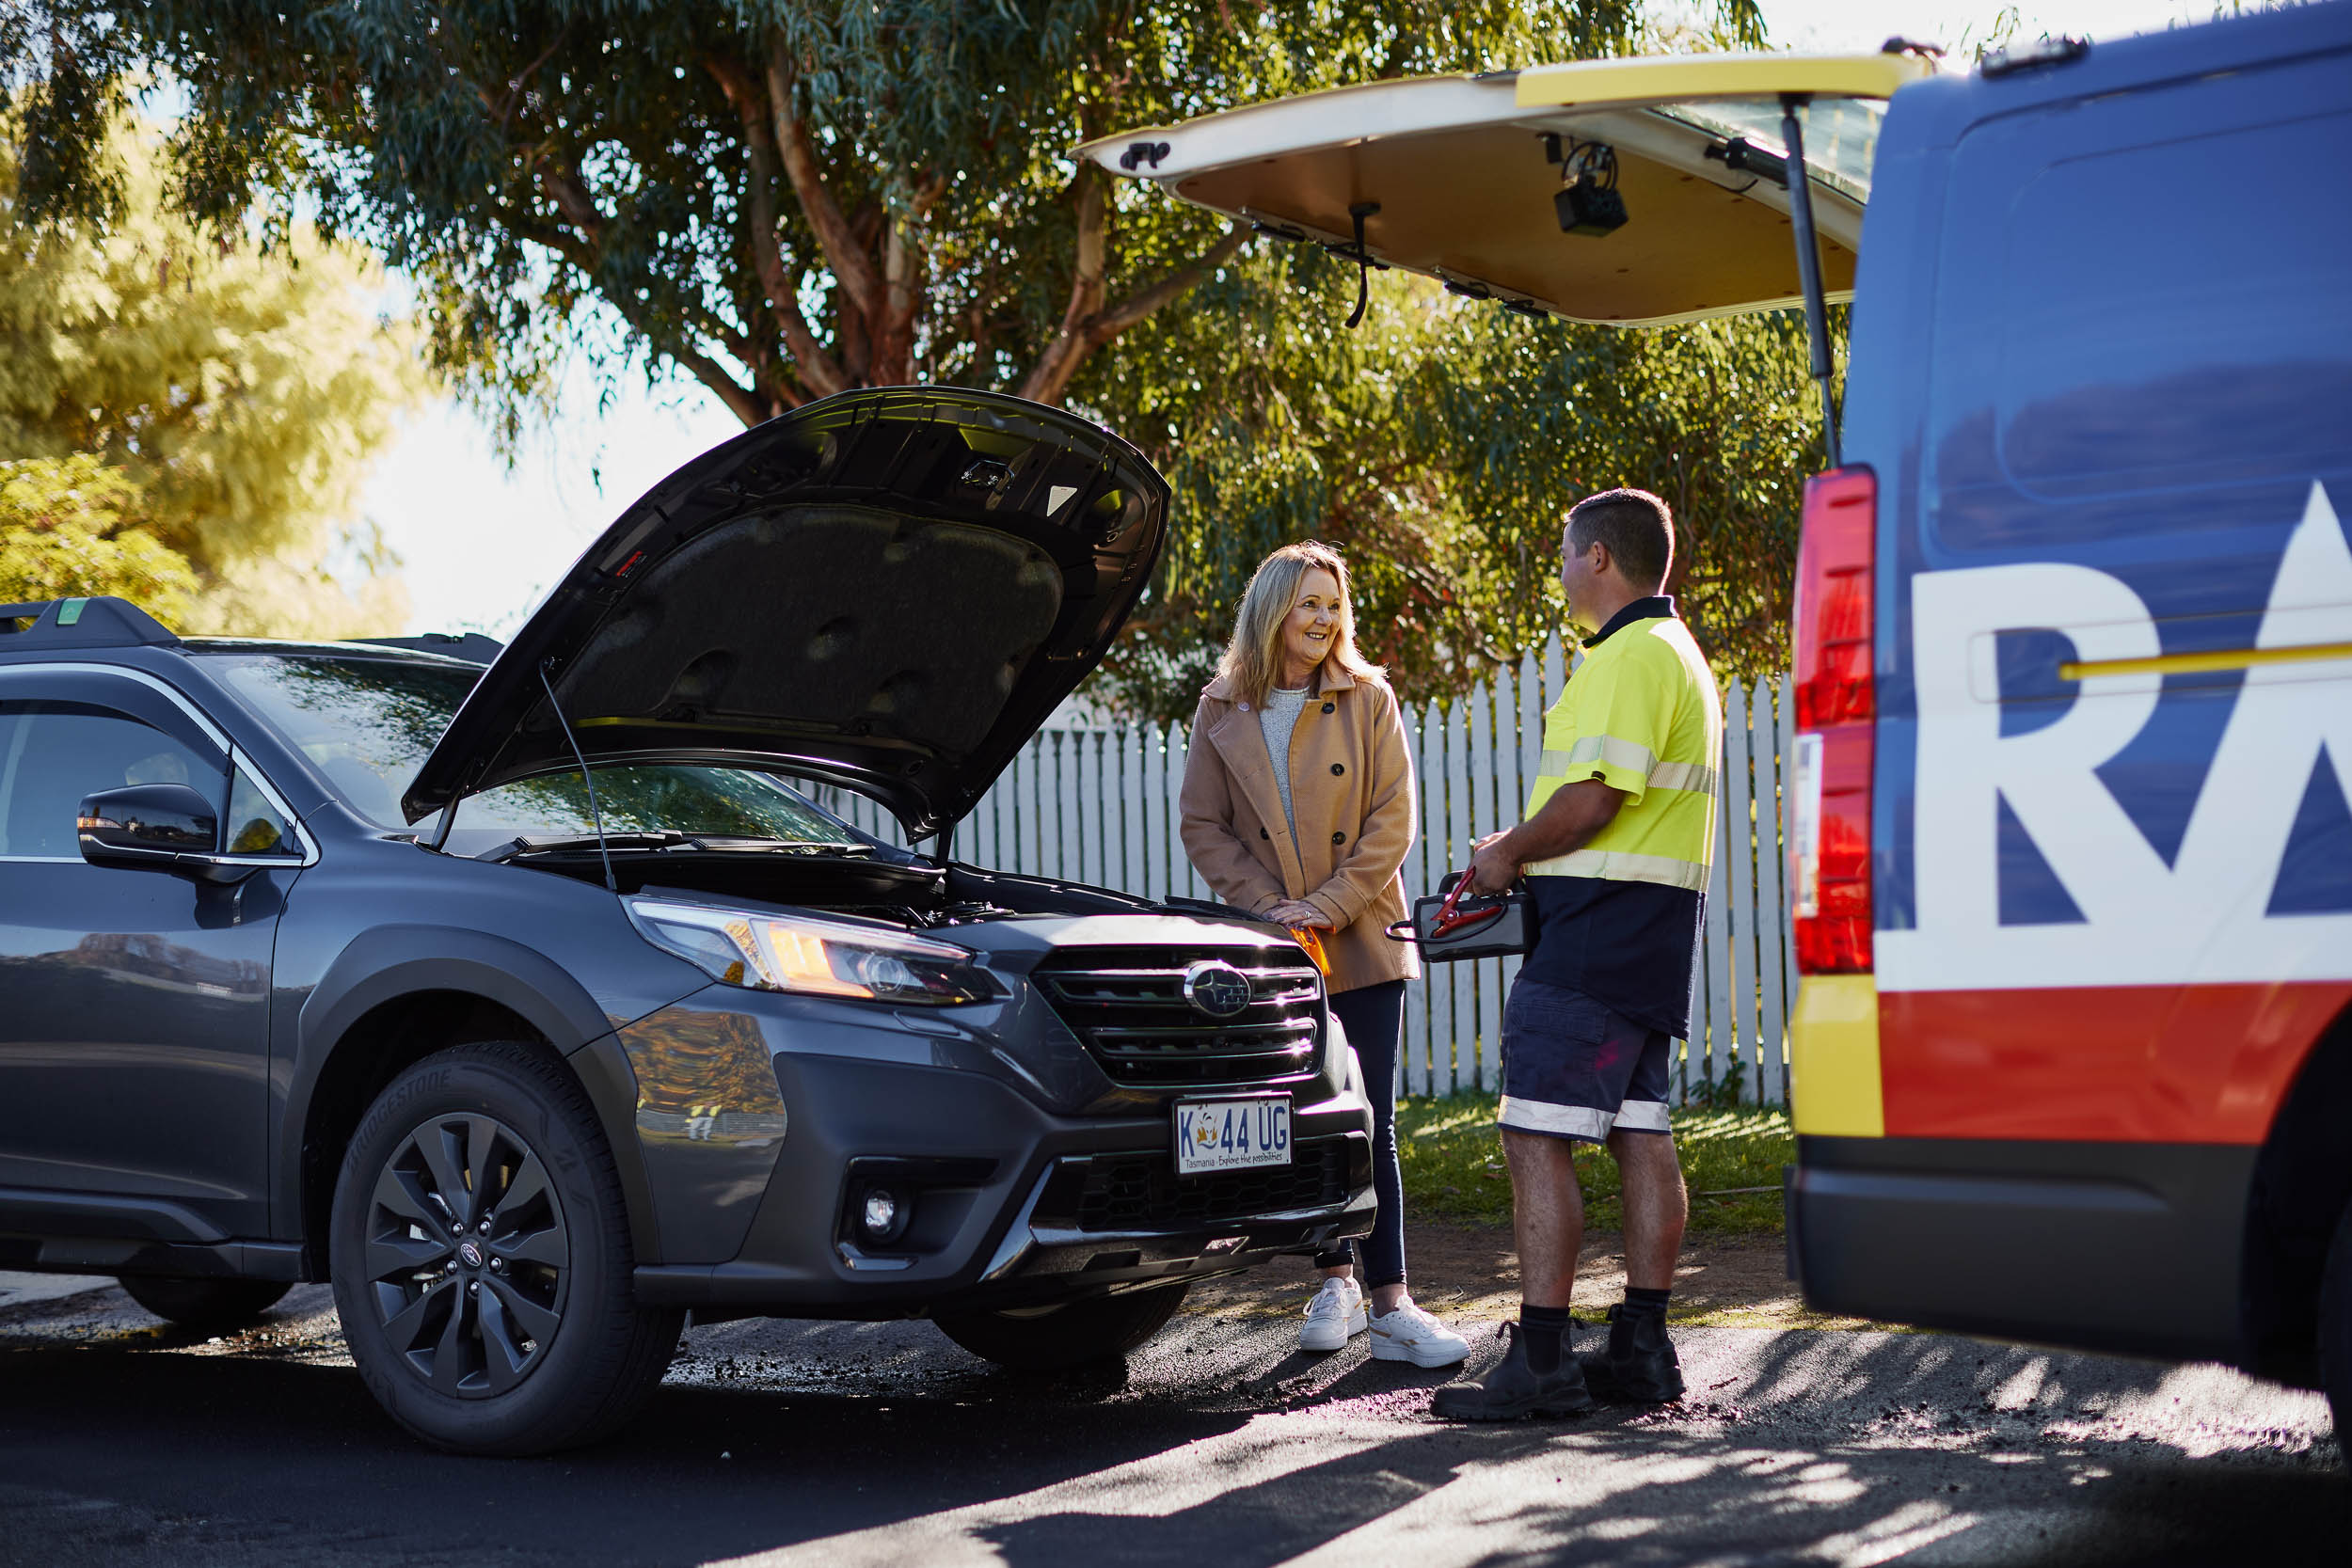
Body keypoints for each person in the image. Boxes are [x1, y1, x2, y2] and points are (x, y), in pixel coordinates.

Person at [1430, 488, 1722, 1421]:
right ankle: (1641, 1344)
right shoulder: (1675, 651)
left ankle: (1544, 1356)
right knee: (1640, 1128)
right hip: (1650, 931)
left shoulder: (1627, 655)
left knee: (1532, 1132)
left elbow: (1594, 796)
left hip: (1594, 934)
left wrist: (1504, 852)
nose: (1558, 570)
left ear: (1599, 557)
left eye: (1564, 553)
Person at [1180, 541, 1469, 1369]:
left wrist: (1328, 904)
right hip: (1281, 943)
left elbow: (1393, 820)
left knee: (1370, 1116)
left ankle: (1393, 1302)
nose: (1323, 619)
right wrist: (1270, 908)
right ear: (1272, 609)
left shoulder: (1368, 697)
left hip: (1362, 934)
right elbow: (1203, 822)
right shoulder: (1222, 706)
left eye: (1332, 605)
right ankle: (1333, 1278)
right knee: (1310, 1120)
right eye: (1308, 603)